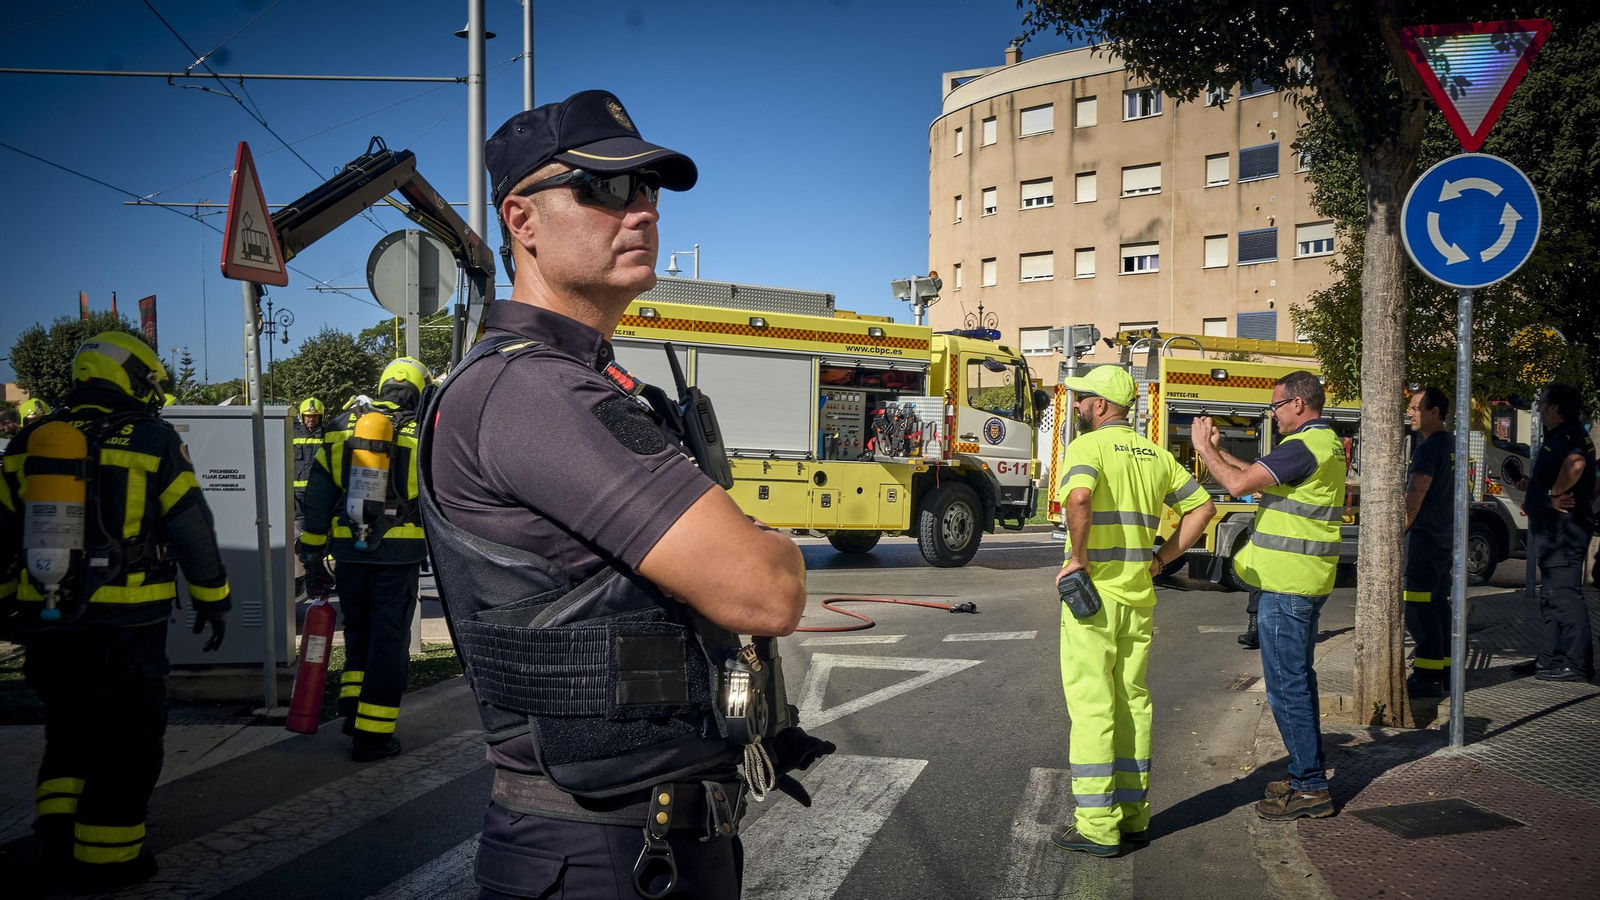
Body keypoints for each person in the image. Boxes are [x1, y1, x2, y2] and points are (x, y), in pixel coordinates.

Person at [422, 90, 824, 900]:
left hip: (641, 841)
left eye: (649, 191)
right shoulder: (536, 395)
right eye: (603, 189)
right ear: (521, 221)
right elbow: (764, 586)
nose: (641, 212)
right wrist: (759, 540)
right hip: (602, 855)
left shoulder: (568, 382)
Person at [0, 333, 229, 892]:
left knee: (68, 729)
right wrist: (214, 598)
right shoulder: (153, 437)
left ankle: (56, 832)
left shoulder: (32, 438)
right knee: (127, 738)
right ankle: (108, 858)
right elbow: (191, 525)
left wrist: (11, 606)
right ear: (131, 377)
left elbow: (3, 531)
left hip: (48, 619)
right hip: (127, 623)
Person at [1050, 365, 1215, 857]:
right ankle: (1133, 816)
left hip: (1092, 599)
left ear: (1101, 405)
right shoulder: (1157, 456)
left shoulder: (1088, 448)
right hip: (1138, 598)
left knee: (1093, 706)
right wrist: (1161, 560)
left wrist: (1078, 558)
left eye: (1083, 400)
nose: (1078, 406)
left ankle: (1098, 826)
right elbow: (1203, 509)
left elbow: (1079, 497)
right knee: (1132, 704)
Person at [1192, 370, 1344, 821]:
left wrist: (1202, 447)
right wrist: (1217, 452)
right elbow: (1251, 475)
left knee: (1288, 688)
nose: (1272, 414)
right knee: (1299, 682)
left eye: (1276, 406)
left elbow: (1236, 486)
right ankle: (1305, 775)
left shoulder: (1302, 447)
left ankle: (1311, 787)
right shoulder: (1323, 444)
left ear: (1299, 404)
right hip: (1305, 582)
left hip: (1287, 587)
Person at [299, 360, 430, 760]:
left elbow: (318, 496)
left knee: (358, 632)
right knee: (389, 642)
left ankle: (353, 709)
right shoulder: (426, 430)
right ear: (419, 390)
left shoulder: (342, 426)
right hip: (399, 553)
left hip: (348, 551)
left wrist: (311, 552)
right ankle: (373, 737)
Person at [1509, 383, 1596, 682]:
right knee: (1551, 595)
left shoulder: (1568, 435)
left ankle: (1578, 663)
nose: (1540, 407)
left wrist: (1554, 493)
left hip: (1564, 529)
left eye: (1543, 402)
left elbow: (1576, 463)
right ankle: (1550, 657)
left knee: (1564, 594)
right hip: (1555, 528)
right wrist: (1533, 486)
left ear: (1556, 408)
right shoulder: (1561, 435)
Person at [1402, 387, 1455, 698]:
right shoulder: (1451, 445)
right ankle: (1444, 670)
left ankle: (1426, 676)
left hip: (1424, 540)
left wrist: (1396, 536)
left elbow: (1414, 499)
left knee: (1419, 610)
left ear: (1435, 412)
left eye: (1416, 407)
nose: (1410, 412)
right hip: (1444, 538)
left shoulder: (1428, 449)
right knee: (1438, 607)